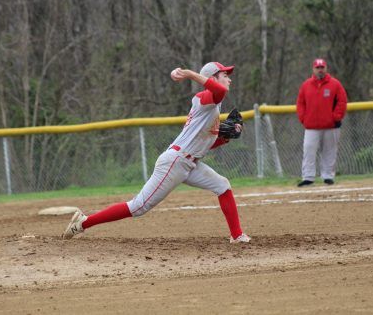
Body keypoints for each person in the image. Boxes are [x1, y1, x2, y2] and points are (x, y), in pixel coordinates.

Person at [62, 62, 251, 243]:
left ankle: (237, 235)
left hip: (190, 163)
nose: (229, 79)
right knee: (138, 207)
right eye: (225, 75)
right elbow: (221, 91)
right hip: (175, 162)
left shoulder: (213, 107)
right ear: (212, 78)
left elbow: (202, 145)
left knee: (222, 185)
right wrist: (190, 74)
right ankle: (83, 222)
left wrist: (224, 138)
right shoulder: (203, 98)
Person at [296, 58, 348, 187]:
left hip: (331, 125)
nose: (320, 70)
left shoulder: (335, 84)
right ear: (313, 69)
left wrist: (336, 117)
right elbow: (300, 103)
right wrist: (303, 118)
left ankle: (328, 176)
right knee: (309, 150)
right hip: (311, 126)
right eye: (317, 68)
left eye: (322, 67)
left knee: (329, 151)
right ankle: (308, 177)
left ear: (326, 68)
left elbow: (342, 101)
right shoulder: (306, 85)